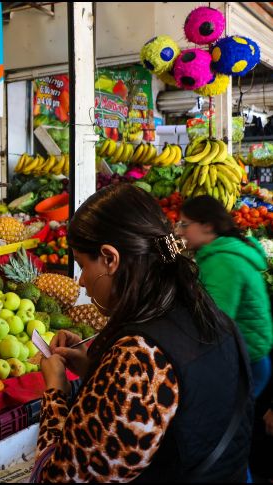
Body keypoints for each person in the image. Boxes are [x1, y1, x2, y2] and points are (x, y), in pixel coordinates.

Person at [34, 184, 252, 482]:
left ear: (110, 258)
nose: (82, 281)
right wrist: (96, 370)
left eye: (83, 265)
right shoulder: (209, 316)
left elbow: (61, 478)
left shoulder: (138, 358)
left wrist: (55, 391)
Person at [177, 195, 272, 398]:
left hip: (246, 362)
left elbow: (212, 320)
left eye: (185, 225)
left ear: (208, 226)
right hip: (244, 355)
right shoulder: (221, 250)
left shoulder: (224, 262)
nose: (180, 231)